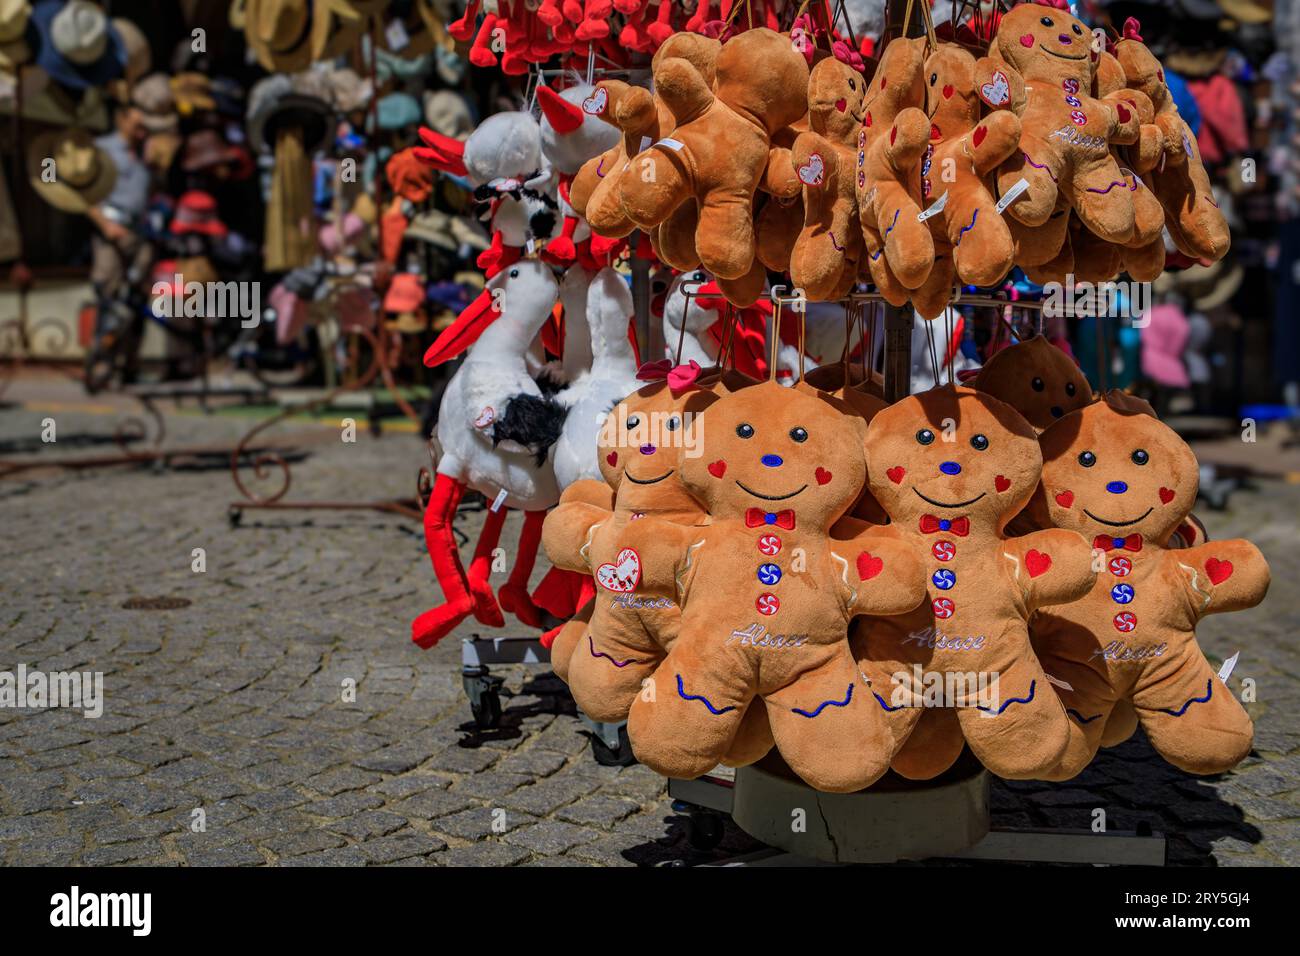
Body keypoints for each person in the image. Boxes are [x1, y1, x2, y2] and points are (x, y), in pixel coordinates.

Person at [86, 103, 156, 382]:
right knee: (109, 295)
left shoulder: (146, 152)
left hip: (140, 232)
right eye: (137, 125)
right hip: (111, 231)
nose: (141, 132)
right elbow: (85, 193)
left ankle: (130, 364)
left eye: (144, 127)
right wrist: (105, 224)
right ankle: (101, 363)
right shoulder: (101, 149)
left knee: (137, 299)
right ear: (121, 119)